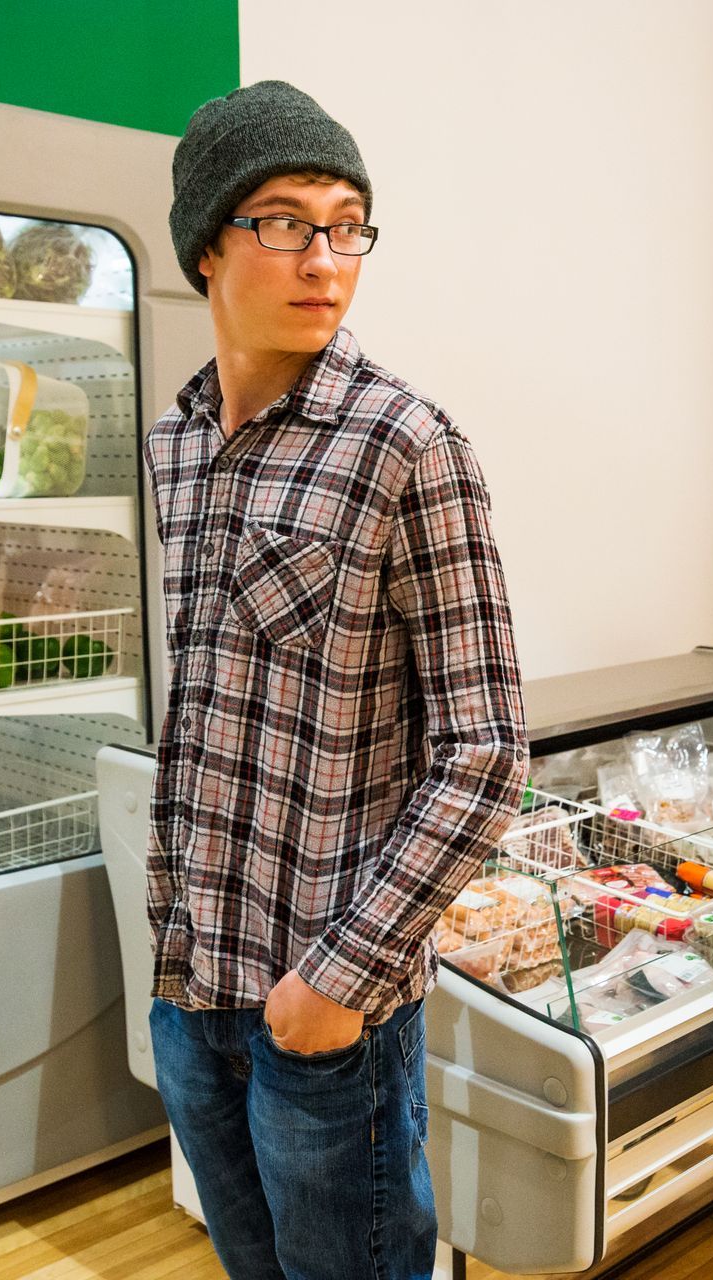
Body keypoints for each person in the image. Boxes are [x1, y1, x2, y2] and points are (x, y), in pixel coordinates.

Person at [142, 80, 529, 1280]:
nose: (326, 258)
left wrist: (338, 978)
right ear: (208, 245)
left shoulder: (406, 441)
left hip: (326, 1003)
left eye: (348, 223)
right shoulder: (175, 440)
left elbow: (488, 749)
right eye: (285, 221)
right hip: (192, 974)